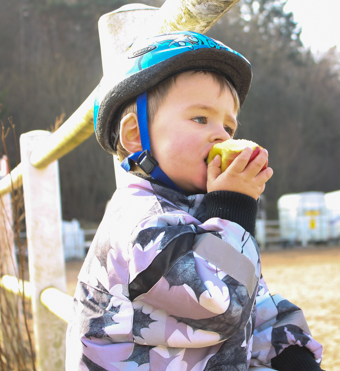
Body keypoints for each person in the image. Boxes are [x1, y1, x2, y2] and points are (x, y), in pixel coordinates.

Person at [66, 31, 324, 370]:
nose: (220, 135)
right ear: (135, 135)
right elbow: (219, 304)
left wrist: (292, 354)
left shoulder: (203, 213)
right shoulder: (140, 221)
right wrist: (234, 208)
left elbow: (253, 301)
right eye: (201, 118)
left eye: (229, 127)